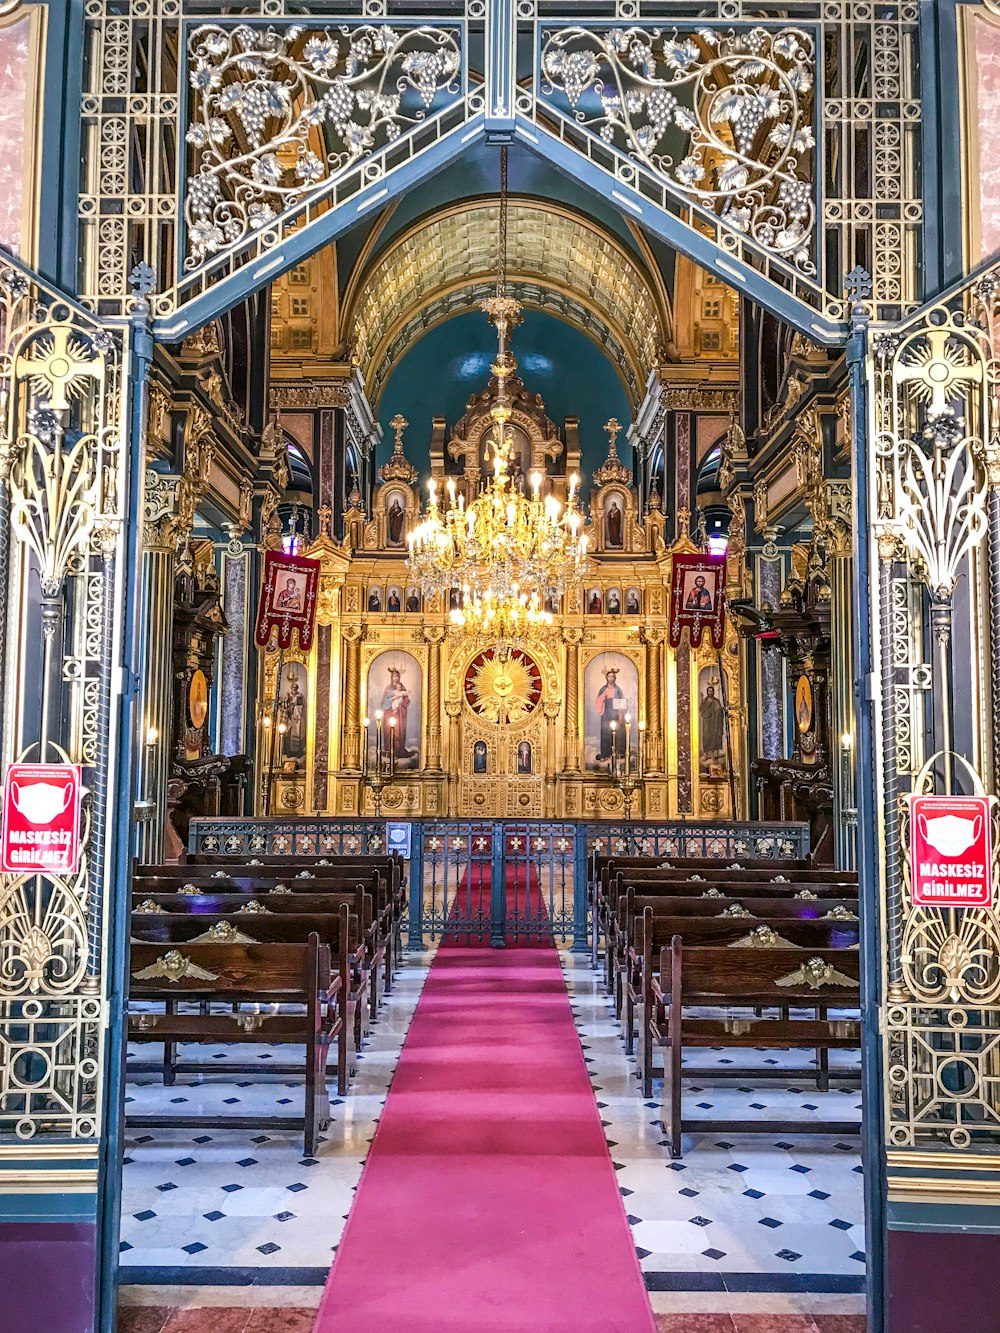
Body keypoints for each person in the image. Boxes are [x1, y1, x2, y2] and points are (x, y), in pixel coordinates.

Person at [595, 668, 626, 764]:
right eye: (609, 676)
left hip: (616, 713)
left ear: (615, 678)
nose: (611, 678)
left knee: (618, 732)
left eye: (612, 676)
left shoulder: (618, 690)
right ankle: (605, 754)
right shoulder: (603, 689)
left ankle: (618, 753)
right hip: (606, 713)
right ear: (606, 678)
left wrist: (621, 715)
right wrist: (603, 697)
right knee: (605, 732)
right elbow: (598, 701)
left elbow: (621, 703)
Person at [379, 667, 410, 758]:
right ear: (391, 677)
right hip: (389, 713)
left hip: (399, 714)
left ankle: (398, 750)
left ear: (399, 677)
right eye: (394, 676)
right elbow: (383, 703)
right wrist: (392, 699)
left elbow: (406, 700)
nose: (395, 678)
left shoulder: (402, 688)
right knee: (389, 730)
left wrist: (400, 706)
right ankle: (388, 750)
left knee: (398, 730)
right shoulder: (388, 689)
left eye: (397, 676)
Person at [281, 668, 307, 760]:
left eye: (295, 688)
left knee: (298, 732)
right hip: (290, 717)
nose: (294, 689)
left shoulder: (300, 696)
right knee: (289, 734)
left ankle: (298, 752)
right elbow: (284, 706)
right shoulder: (288, 696)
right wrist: (289, 709)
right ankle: (289, 752)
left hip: (298, 717)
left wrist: (297, 709)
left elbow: (302, 706)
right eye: (293, 688)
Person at [699, 683, 725, 769]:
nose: (710, 692)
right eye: (709, 691)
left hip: (714, 723)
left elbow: (719, 711)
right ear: (707, 692)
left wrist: (719, 710)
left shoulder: (716, 701)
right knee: (706, 737)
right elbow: (701, 710)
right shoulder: (705, 701)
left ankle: (714, 755)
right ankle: (706, 754)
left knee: (714, 738)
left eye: (711, 691)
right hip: (707, 722)